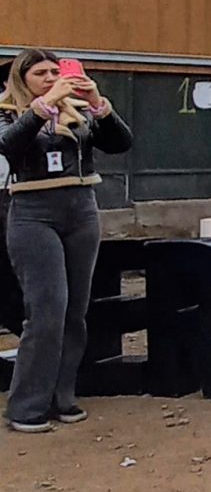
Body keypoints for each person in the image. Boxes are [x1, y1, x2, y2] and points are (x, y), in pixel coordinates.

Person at [0, 48, 132, 433]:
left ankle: (63, 395)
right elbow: (9, 146)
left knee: (75, 309)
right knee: (46, 309)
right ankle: (26, 404)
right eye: (40, 72)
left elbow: (120, 143)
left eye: (55, 71)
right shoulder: (10, 111)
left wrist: (97, 103)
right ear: (22, 78)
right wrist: (43, 106)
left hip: (81, 208)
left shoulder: (77, 110)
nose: (50, 77)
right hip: (32, 211)